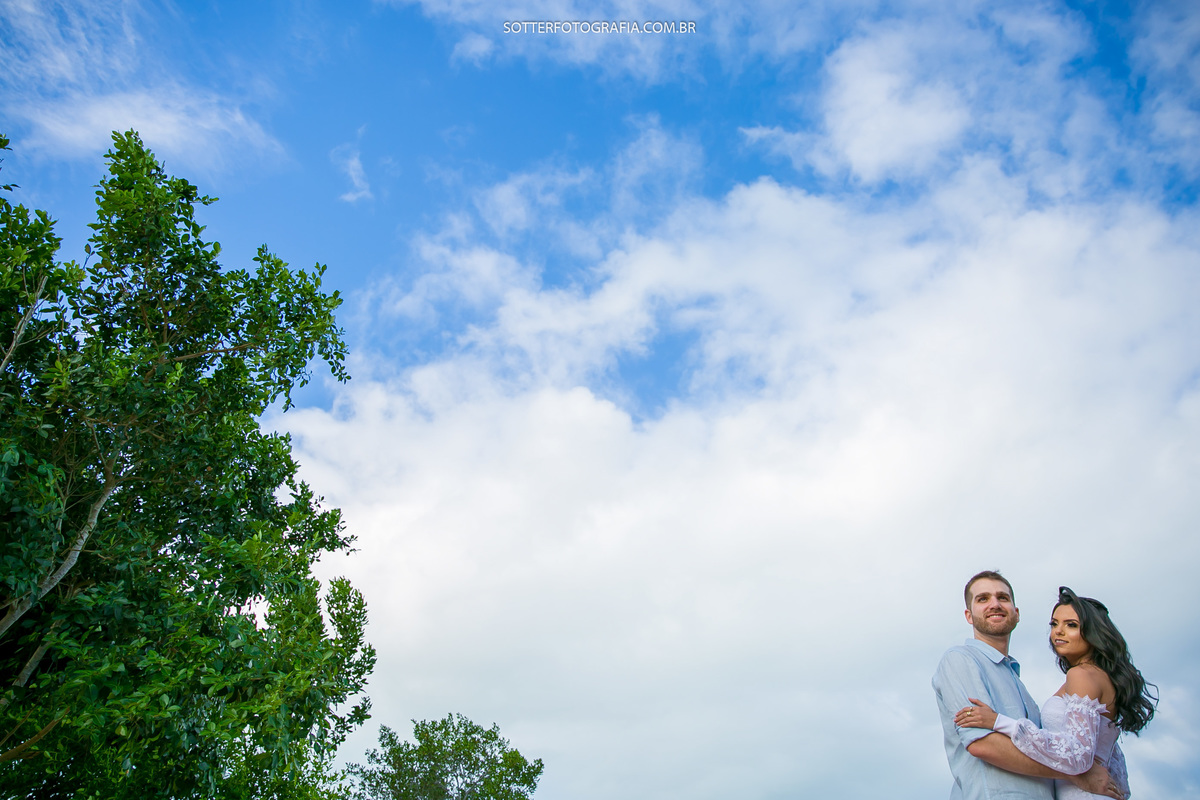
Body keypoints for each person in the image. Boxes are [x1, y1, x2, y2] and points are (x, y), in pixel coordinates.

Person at [932, 571, 1120, 800]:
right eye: (983, 599)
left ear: (1016, 613)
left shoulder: (1021, 688)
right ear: (969, 616)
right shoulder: (962, 659)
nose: (995, 604)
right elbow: (983, 744)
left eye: (1003, 598)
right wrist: (1076, 774)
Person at [955, 586, 1156, 799]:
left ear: (1093, 632)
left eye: (1071, 625)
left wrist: (998, 722)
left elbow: (1077, 756)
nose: (1058, 631)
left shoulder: (1081, 675)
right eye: (1054, 623)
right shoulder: (1098, 676)